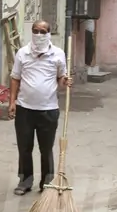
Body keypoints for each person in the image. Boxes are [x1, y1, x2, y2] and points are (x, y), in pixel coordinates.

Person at [8, 20, 72, 196]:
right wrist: (12, 101)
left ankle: (47, 182)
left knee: (46, 148)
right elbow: (15, 78)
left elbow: (61, 79)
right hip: (24, 109)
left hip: (48, 109)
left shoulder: (58, 54)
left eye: (43, 31)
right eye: (35, 31)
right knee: (24, 147)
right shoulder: (23, 53)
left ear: (49, 33)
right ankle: (25, 181)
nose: (39, 34)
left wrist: (65, 81)